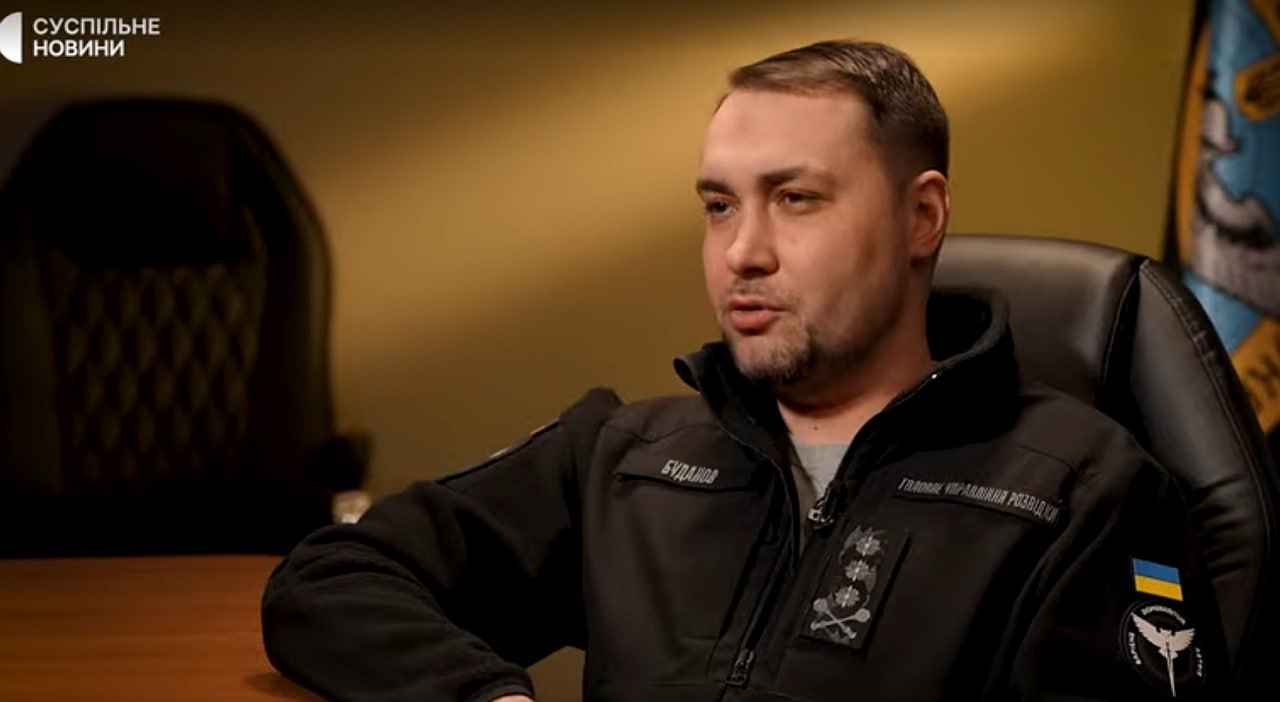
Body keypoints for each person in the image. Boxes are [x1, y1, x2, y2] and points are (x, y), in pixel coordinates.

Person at [262, 40, 1225, 701]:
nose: (742, 253)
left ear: (921, 216)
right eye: (719, 206)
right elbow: (332, 578)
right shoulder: (624, 456)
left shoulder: (1083, 490)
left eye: (795, 199)